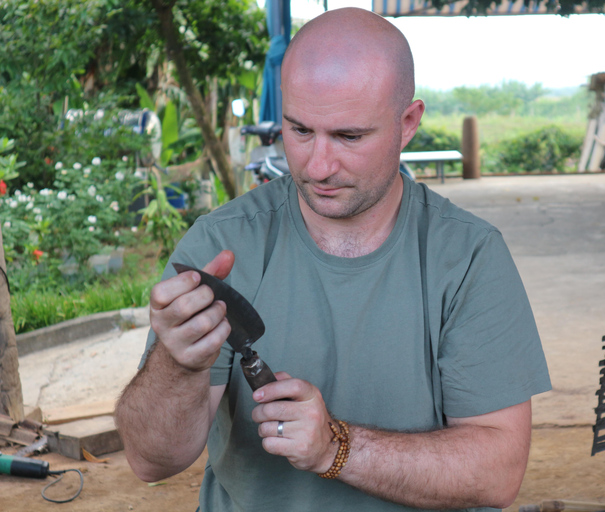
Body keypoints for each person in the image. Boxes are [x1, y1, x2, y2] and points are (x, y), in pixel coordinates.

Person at [115, 7, 550, 512]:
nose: (318, 166)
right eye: (299, 131)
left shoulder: (468, 257)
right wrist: (178, 363)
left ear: (408, 123)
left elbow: (497, 472)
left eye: (348, 136)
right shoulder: (224, 245)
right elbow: (152, 463)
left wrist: (335, 447)